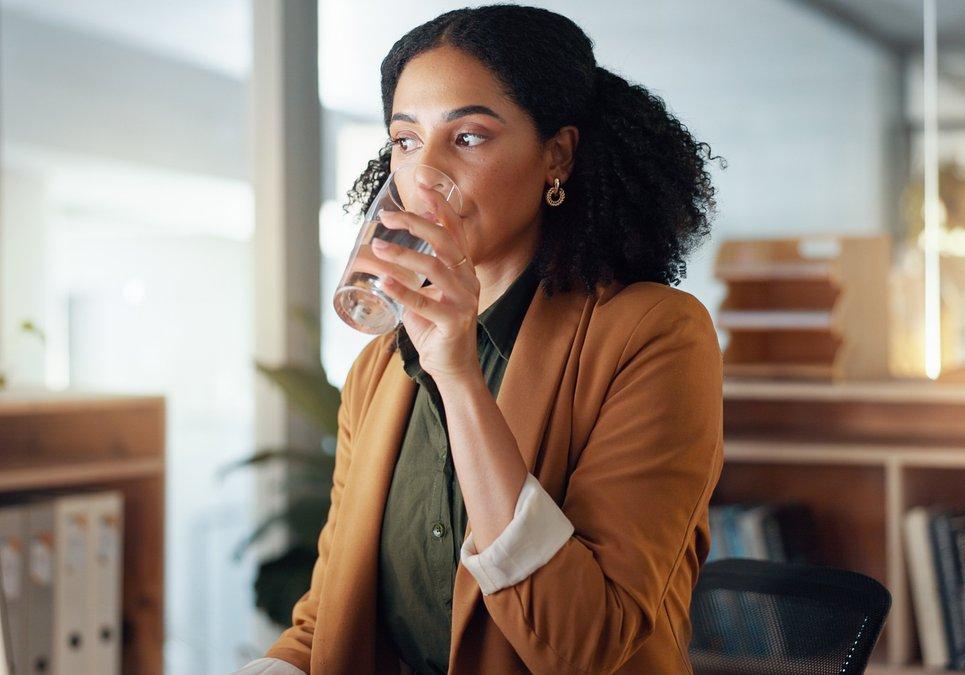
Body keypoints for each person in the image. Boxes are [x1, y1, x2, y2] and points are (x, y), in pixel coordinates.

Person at [235, 4, 725, 673]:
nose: (425, 173)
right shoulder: (378, 370)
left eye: (467, 138)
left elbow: (586, 640)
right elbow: (328, 618)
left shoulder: (655, 335)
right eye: (406, 141)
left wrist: (460, 377)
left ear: (556, 156)